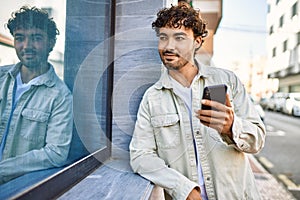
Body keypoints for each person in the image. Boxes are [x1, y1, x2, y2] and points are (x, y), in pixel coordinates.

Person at [130, 5, 266, 200]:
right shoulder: (152, 98)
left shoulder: (227, 81)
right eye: (163, 37)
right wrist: (183, 189)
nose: (168, 46)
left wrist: (231, 127)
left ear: (197, 42)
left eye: (179, 38)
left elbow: (257, 140)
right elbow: (140, 156)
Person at [0, 6, 73, 184]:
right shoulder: (1, 78)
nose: (27, 46)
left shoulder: (60, 96)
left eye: (36, 38)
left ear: (50, 43)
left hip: (15, 188)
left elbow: (56, 154)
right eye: (20, 38)